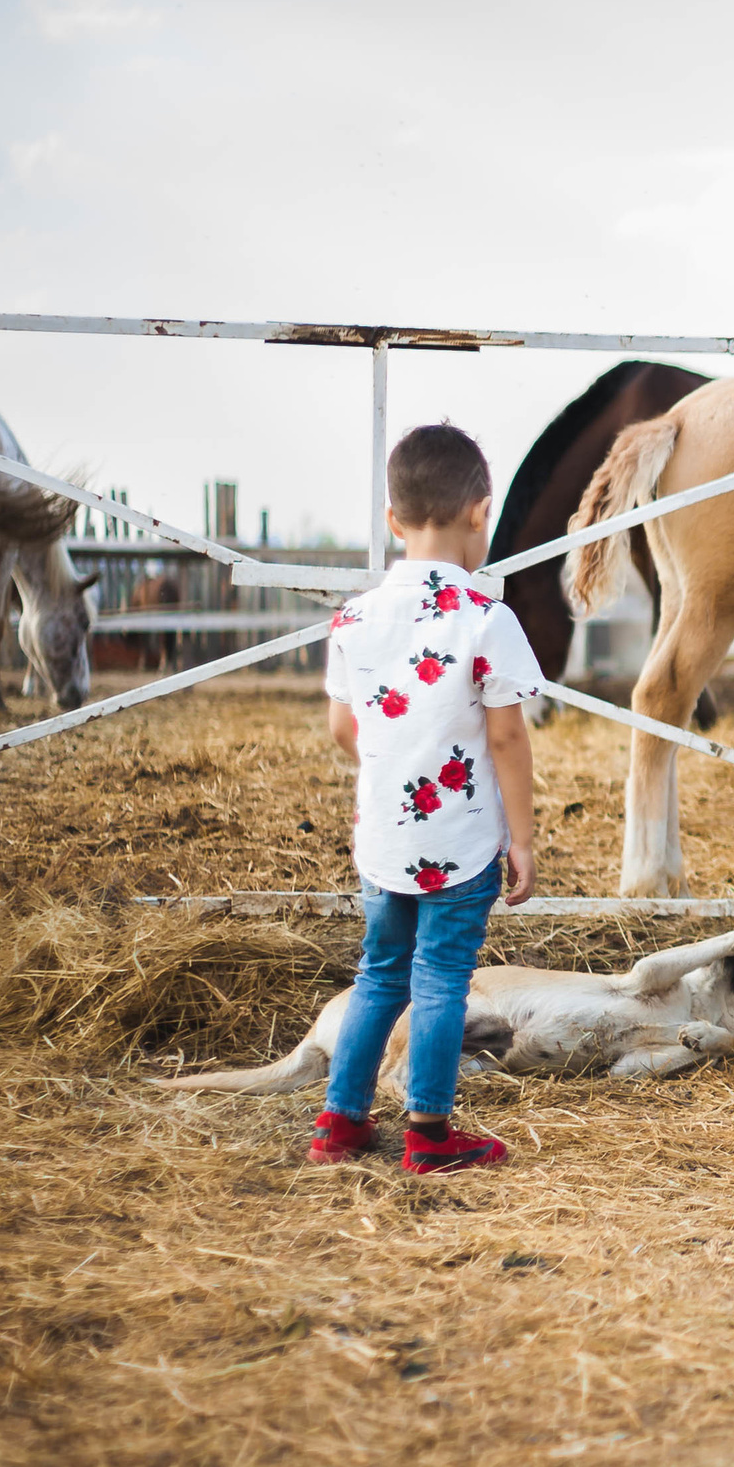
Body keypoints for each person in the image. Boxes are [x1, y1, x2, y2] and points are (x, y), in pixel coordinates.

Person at [311, 423, 546, 1174]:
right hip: (462, 840)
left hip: (385, 837)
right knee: (441, 977)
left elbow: (342, 727)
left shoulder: (351, 619)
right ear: (482, 512)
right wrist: (524, 836)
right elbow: (508, 740)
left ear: (393, 520)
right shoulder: (487, 619)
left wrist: (395, 770)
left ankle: (340, 1122)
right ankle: (429, 1132)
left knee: (380, 973)